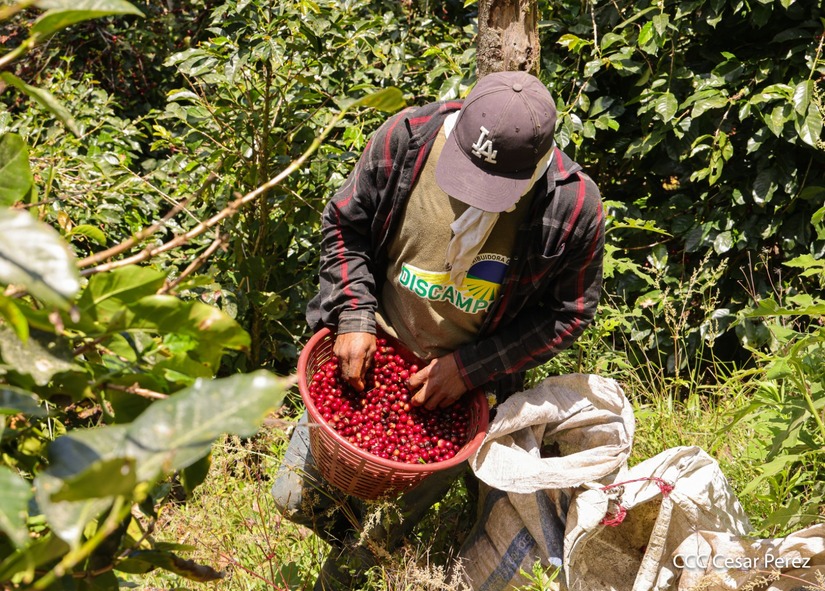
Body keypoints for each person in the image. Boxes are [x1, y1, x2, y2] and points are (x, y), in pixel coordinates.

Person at [271, 70, 605, 590]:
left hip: (454, 395)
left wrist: (471, 369)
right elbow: (345, 225)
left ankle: (354, 570)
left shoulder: (572, 207)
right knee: (294, 499)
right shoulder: (409, 139)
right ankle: (359, 536)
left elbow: (570, 314)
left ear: (538, 165)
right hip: (368, 352)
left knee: (371, 544)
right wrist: (355, 314)